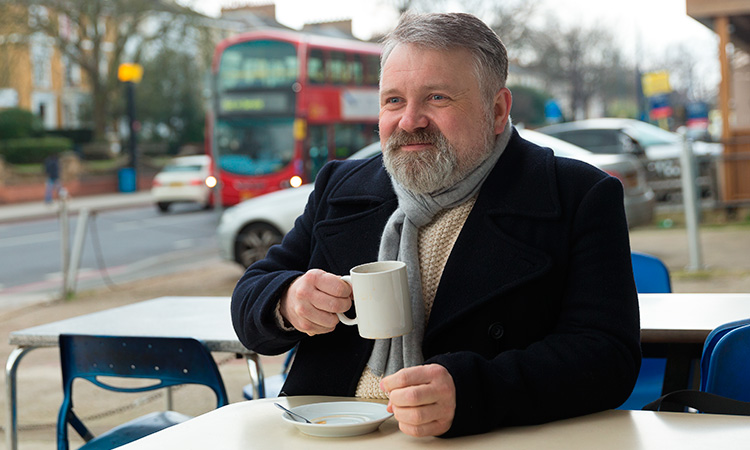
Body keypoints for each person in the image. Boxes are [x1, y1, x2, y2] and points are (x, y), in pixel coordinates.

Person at [231, 12, 640, 438]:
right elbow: (250, 295)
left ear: (497, 109)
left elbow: (608, 357)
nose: (410, 121)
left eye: (437, 98)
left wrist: (473, 392)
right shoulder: (340, 185)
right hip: (326, 434)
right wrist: (287, 300)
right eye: (393, 101)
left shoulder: (578, 195)